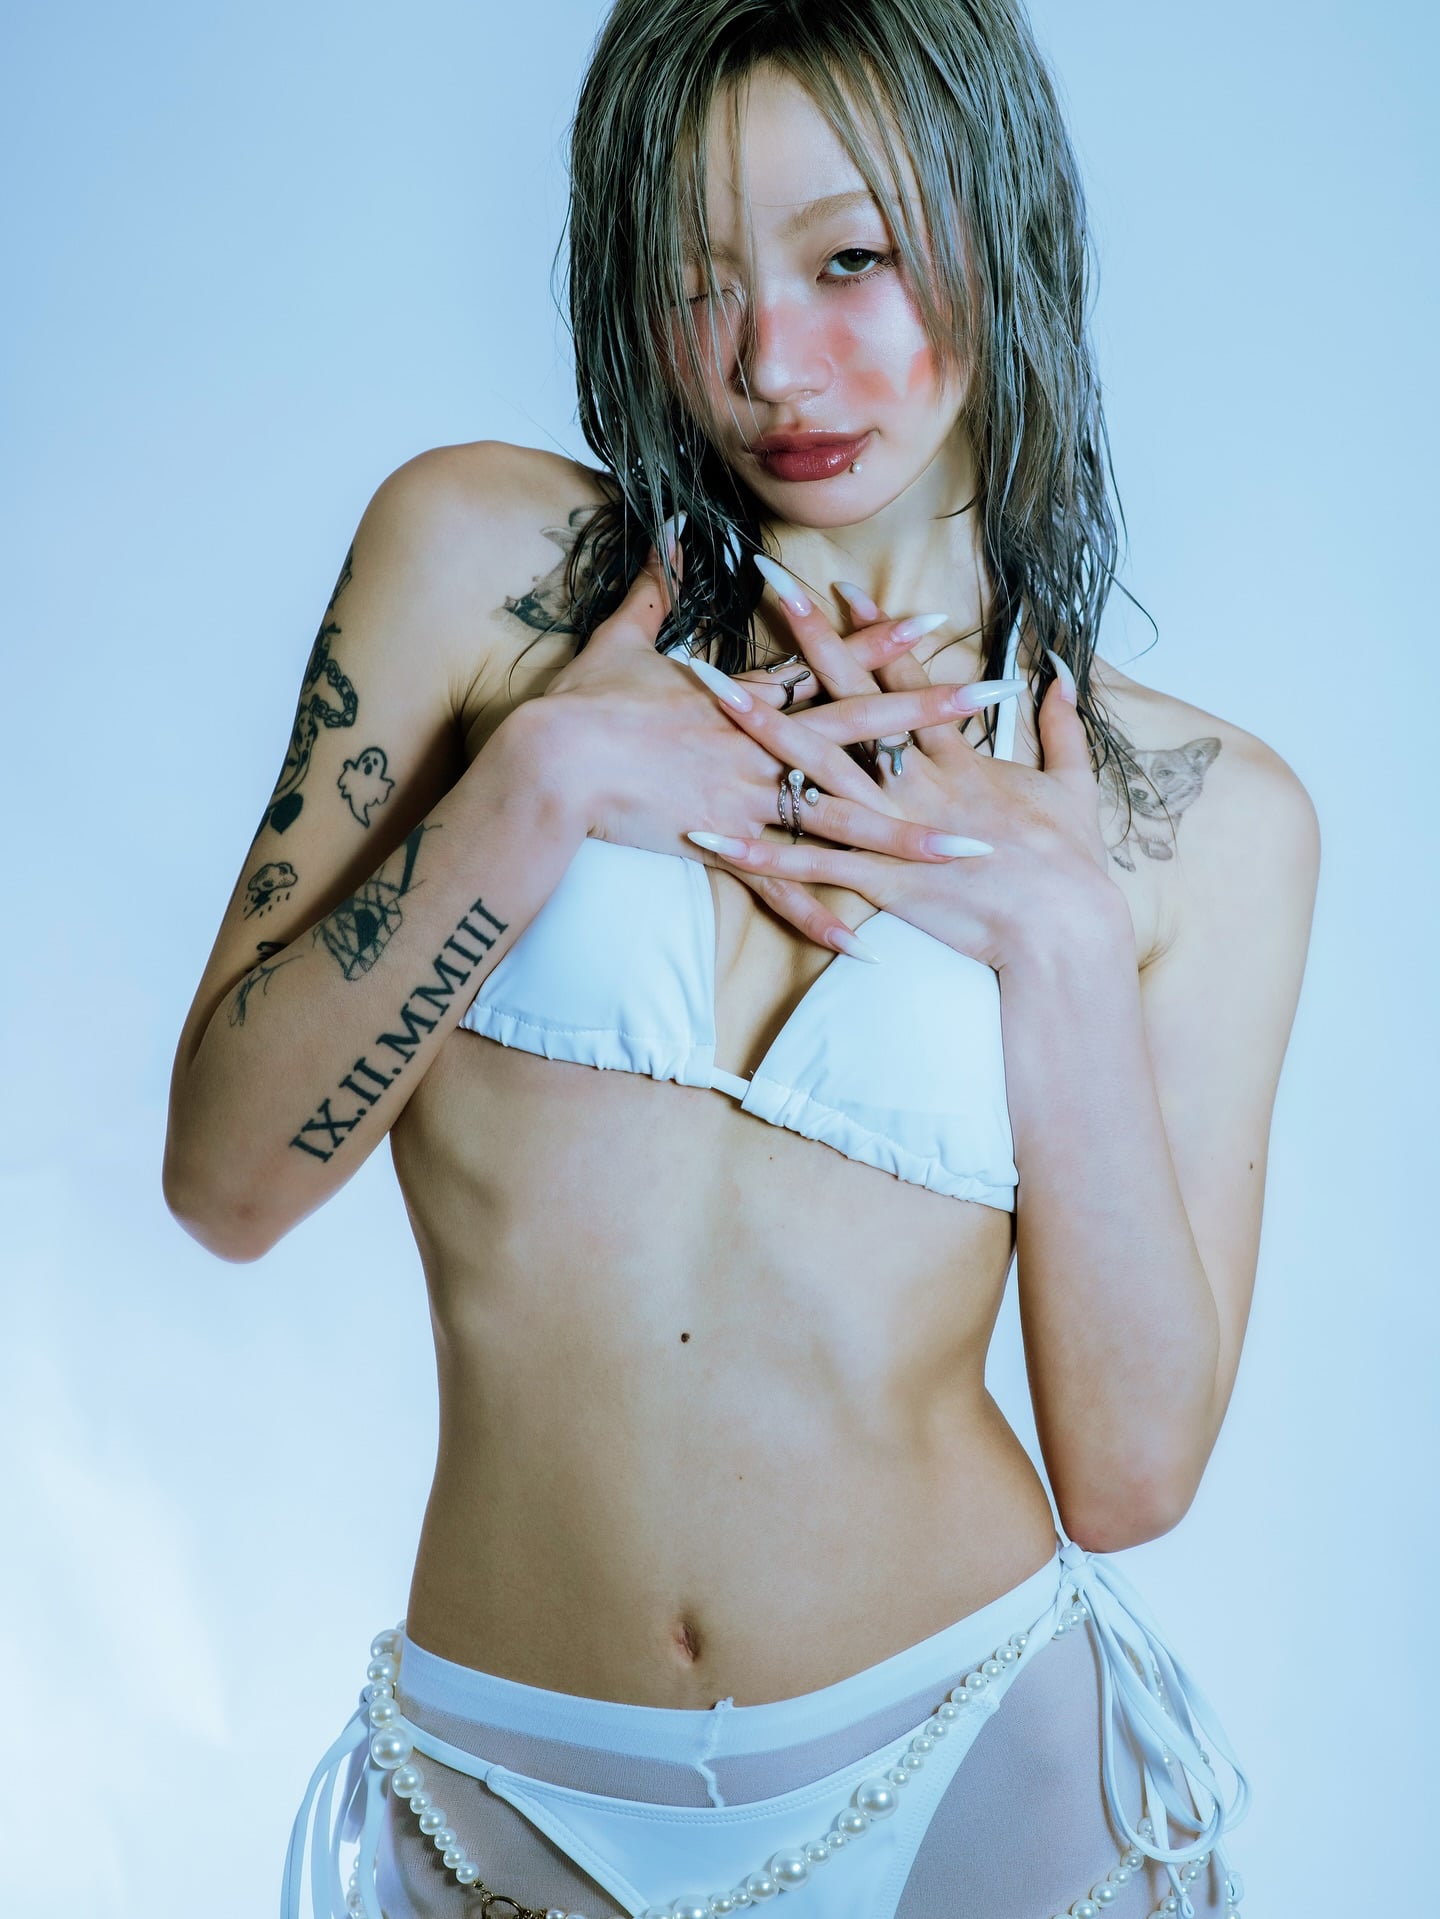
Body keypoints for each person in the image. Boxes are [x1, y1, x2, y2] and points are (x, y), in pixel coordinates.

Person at [163, 2, 1318, 1915]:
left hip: (977, 1769)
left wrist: (1055, 940)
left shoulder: (1192, 815)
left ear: (1004, 231)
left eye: (851, 260)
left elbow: (1131, 1480)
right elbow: (225, 1182)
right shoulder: (483, 572)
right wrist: (538, 784)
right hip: (501, 1787)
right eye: (701, 279)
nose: (774, 363)